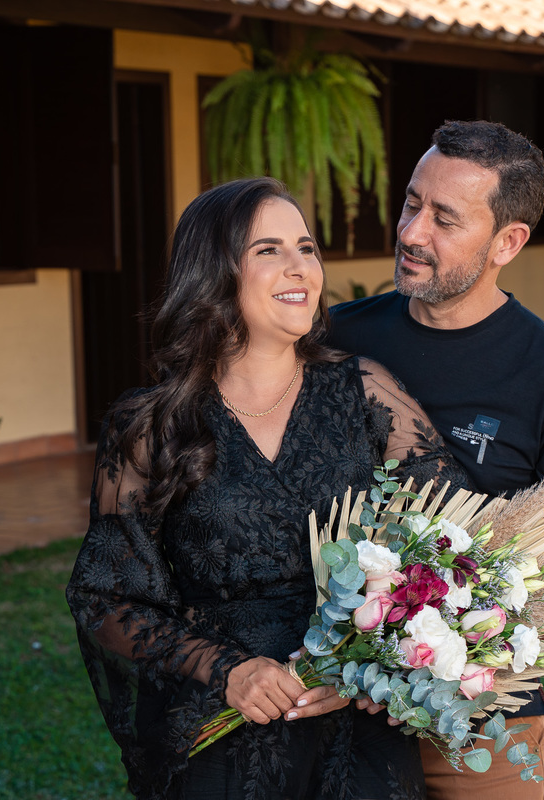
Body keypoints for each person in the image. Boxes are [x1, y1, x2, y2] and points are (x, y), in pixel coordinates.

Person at [65, 177, 466, 800]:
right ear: (214, 274)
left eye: (306, 247)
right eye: (268, 250)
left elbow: (448, 549)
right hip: (223, 741)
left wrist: (369, 663)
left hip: (354, 738)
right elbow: (109, 599)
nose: (300, 266)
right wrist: (227, 672)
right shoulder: (151, 426)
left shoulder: (365, 394)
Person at [328, 120, 544, 798]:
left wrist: (454, 652)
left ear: (508, 241)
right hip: (338, 717)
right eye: (412, 203)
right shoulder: (342, 337)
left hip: (479, 734)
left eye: (445, 218)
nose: (412, 233)